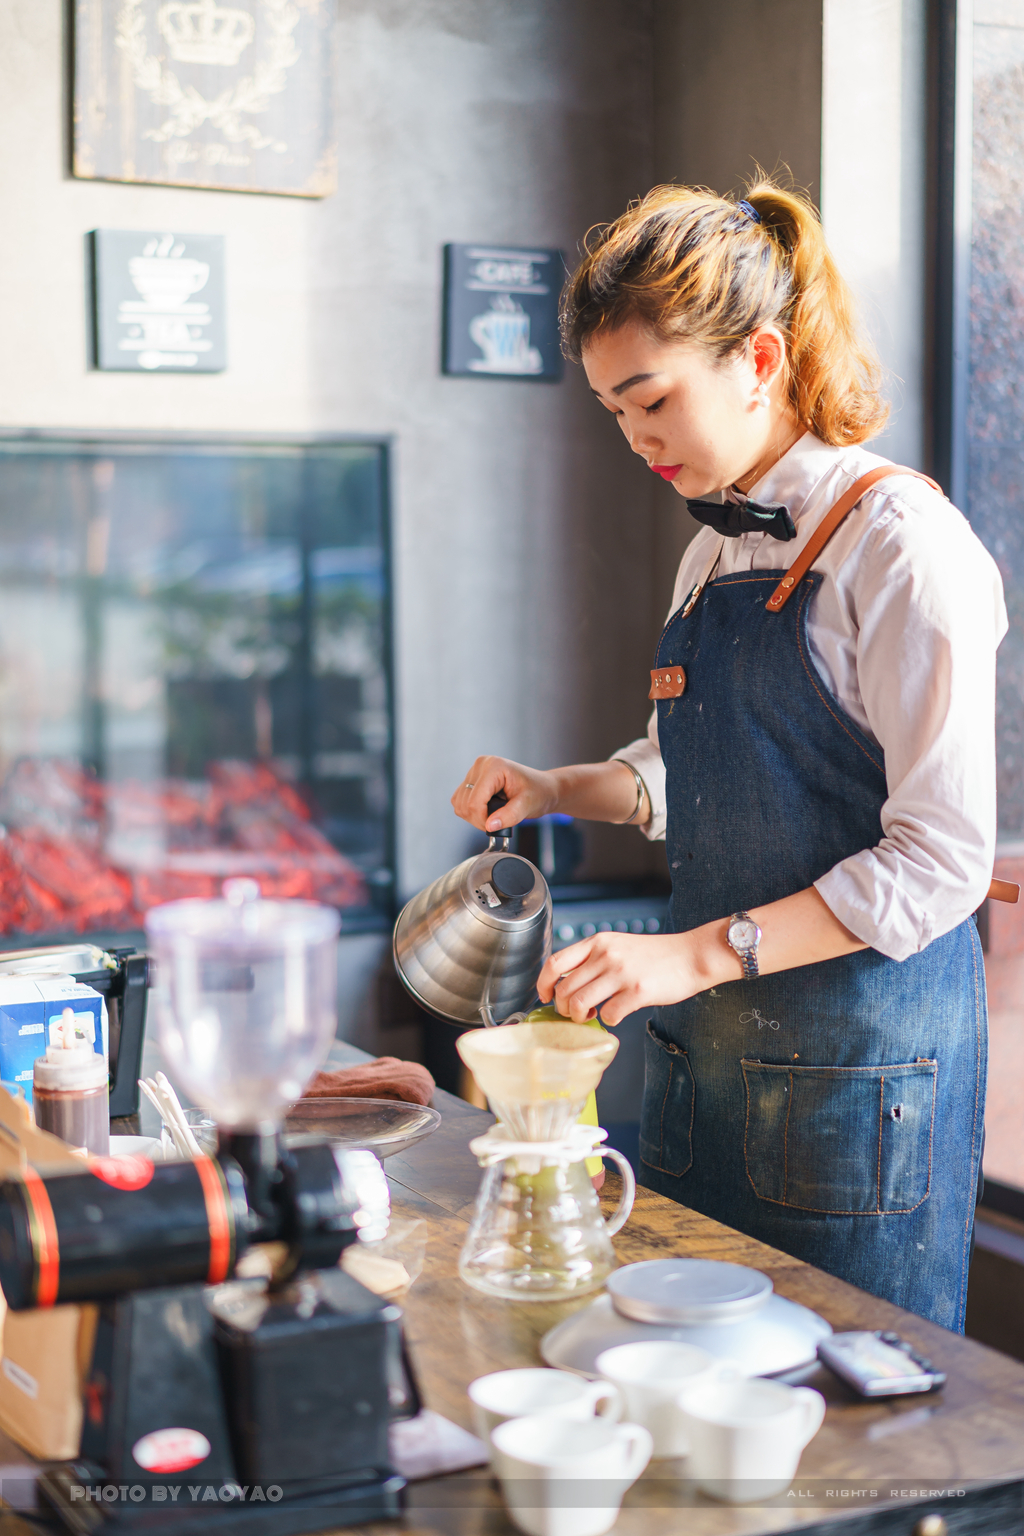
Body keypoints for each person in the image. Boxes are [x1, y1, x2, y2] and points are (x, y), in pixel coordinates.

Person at [451, 181, 1007, 1332]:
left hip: (863, 1089)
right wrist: (556, 788)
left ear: (759, 358)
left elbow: (941, 862)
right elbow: (679, 773)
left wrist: (694, 956)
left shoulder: (903, 548)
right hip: (708, 1069)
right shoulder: (711, 554)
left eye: (652, 399)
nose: (636, 438)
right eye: (613, 411)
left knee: (861, 1434)